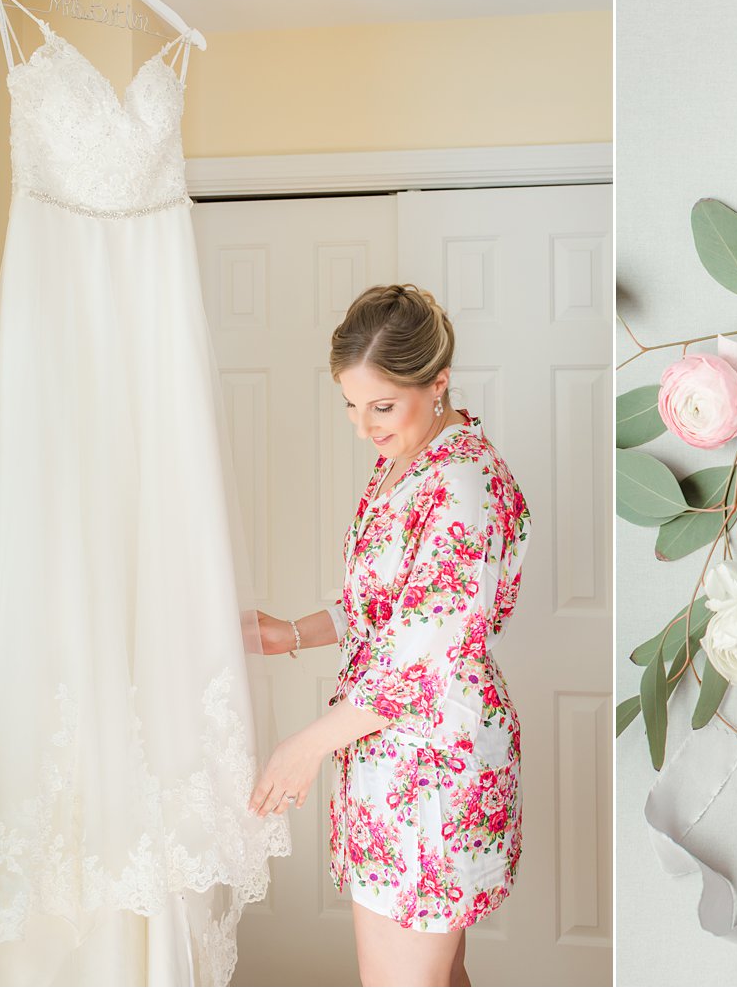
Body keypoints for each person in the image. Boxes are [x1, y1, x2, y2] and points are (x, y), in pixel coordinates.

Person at [248, 283, 530, 986]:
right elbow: (378, 610)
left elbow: (423, 658)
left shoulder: (462, 481)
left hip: (431, 764)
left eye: (381, 405)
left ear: (438, 382)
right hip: (389, 754)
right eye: (350, 403)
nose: (363, 423)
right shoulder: (404, 462)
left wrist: (304, 747)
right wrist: (287, 633)